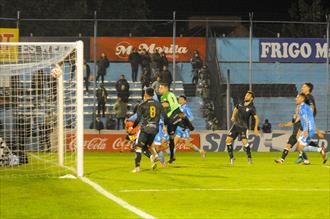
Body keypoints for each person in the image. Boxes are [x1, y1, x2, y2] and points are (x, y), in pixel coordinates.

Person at [132, 87, 168, 173]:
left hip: (145, 128)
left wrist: (132, 127)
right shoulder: (158, 104)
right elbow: (165, 117)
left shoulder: (142, 105)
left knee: (138, 147)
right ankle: (153, 157)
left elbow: (137, 119)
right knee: (146, 146)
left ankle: (137, 167)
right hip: (155, 129)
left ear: (146, 94)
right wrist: (166, 127)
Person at [226, 91, 260, 165]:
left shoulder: (252, 108)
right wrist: (233, 116)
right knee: (228, 140)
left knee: (245, 143)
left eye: (248, 96)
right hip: (235, 125)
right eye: (246, 95)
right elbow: (236, 108)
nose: (246, 96)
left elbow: (256, 118)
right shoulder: (240, 104)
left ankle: (249, 158)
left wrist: (255, 128)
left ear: (251, 98)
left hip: (243, 127)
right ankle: (232, 158)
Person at [159, 83, 182, 163]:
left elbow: (167, 106)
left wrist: (157, 106)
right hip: (171, 119)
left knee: (163, 143)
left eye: (161, 88)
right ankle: (172, 157)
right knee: (170, 139)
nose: (159, 89)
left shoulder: (167, 95)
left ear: (166, 88)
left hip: (173, 117)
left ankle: (165, 161)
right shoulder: (167, 95)